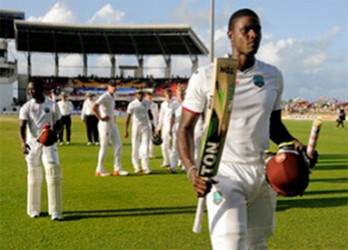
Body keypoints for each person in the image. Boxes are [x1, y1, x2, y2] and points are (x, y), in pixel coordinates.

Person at [178, 8, 316, 249]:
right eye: (246, 30)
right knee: (230, 246)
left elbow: (274, 126)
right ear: (231, 35)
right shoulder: (208, 76)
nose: (253, 35)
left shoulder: (272, 75)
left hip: (261, 173)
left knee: (258, 245)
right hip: (222, 173)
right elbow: (184, 129)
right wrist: (191, 170)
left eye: (257, 30)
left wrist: (296, 146)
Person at [18, 79, 63, 220]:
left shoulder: (52, 105)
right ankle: (33, 209)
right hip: (32, 144)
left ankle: (55, 211)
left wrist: (54, 134)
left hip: (49, 144)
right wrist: (23, 143)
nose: (31, 91)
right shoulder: (26, 107)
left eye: (33, 89)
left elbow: (59, 123)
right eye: (29, 89)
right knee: (33, 177)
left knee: (53, 173)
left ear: (41, 88)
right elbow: (21, 126)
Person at [92, 79, 128, 177]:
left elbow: (111, 110)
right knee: (104, 147)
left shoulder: (113, 96)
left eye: (115, 86)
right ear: (108, 87)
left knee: (118, 144)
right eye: (112, 86)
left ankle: (117, 169)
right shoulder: (104, 96)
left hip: (112, 123)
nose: (114, 87)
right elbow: (93, 107)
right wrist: (101, 118)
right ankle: (99, 170)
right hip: (105, 125)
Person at [124, 90, 152, 174]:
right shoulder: (132, 104)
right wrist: (126, 130)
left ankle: (145, 167)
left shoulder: (146, 102)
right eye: (138, 94)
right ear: (136, 95)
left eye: (141, 94)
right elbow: (128, 118)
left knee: (146, 147)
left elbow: (149, 114)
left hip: (145, 126)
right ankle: (136, 166)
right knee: (135, 147)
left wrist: (153, 126)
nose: (140, 95)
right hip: (136, 127)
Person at [155, 88, 180, 168]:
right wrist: (158, 128)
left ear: (172, 95)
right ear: (165, 95)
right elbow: (161, 117)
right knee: (164, 145)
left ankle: (177, 162)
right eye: (167, 95)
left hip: (174, 126)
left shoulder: (176, 103)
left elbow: (177, 115)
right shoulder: (163, 104)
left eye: (170, 94)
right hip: (165, 127)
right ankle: (166, 161)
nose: (169, 96)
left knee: (174, 145)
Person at [168, 87, 185, 173]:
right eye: (179, 93)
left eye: (182, 93)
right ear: (177, 94)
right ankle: (173, 166)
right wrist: (170, 129)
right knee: (175, 147)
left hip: (186, 127)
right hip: (176, 127)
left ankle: (184, 166)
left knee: (185, 147)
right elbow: (172, 117)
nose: (181, 95)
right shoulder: (174, 104)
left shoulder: (188, 102)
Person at [144, 91, 159, 158]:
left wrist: (157, 126)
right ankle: (142, 153)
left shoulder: (155, 105)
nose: (149, 98)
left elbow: (156, 115)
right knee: (143, 139)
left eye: (150, 97)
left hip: (153, 123)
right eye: (148, 97)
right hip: (145, 123)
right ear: (145, 97)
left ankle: (151, 153)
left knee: (151, 139)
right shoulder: (143, 104)